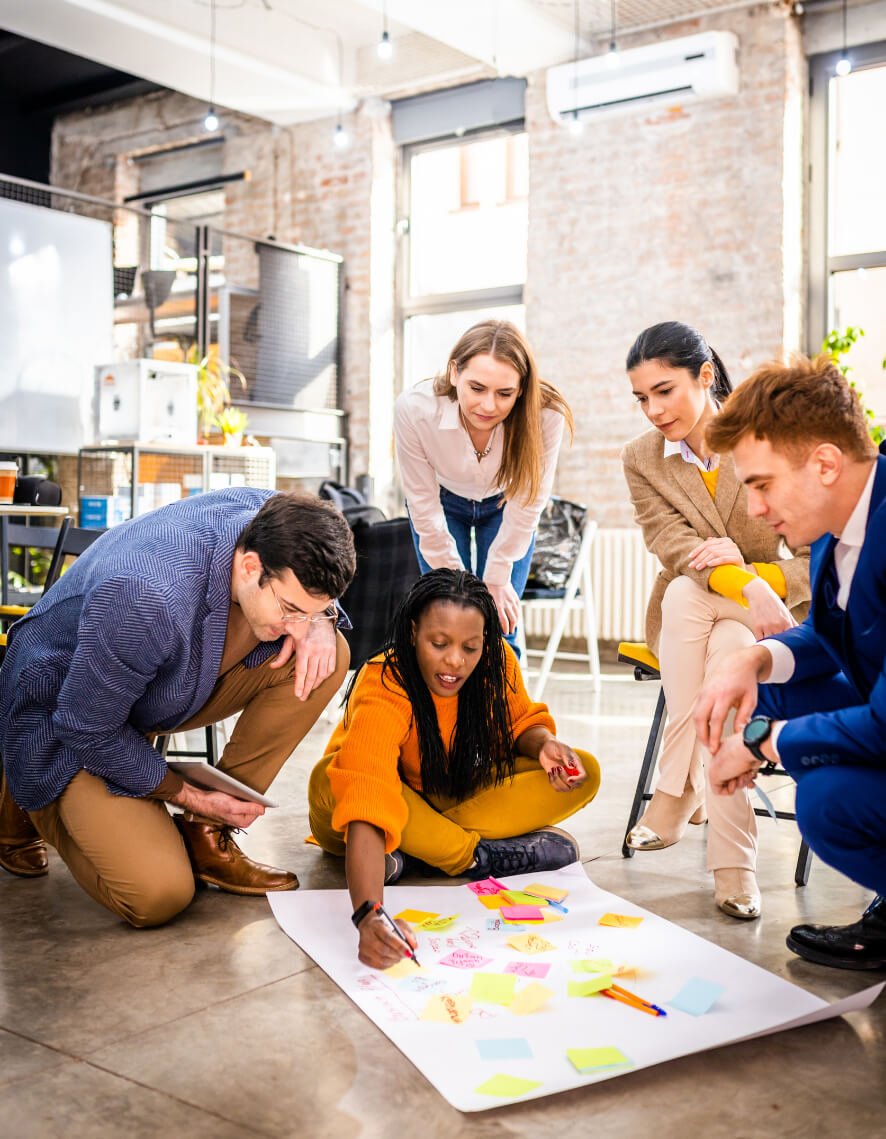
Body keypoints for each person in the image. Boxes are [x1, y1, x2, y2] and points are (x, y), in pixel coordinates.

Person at [0, 488, 355, 928]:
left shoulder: (272, 523)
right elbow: (86, 728)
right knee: (159, 894)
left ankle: (206, 833)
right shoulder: (146, 595)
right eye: (290, 609)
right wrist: (187, 793)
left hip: (151, 677)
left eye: (307, 611)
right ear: (250, 566)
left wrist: (322, 620)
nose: (296, 626)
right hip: (64, 714)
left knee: (328, 655)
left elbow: (308, 535)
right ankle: (19, 784)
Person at [694, 356, 886, 970]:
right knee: (763, 695)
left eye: (761, 483)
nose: (753, 509)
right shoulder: (839, 525)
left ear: (825, 463)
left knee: (828, 803)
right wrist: (752, 658)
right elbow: (833, 635)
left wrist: (760, 746)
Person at [307, 568, 600, 969]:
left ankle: (416, 854)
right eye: (439, 643)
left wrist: (543, 745)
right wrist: (368, 916)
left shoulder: (497, 663)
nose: (454, 662)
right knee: (329, 776)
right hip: (361, 810)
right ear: (412, 632)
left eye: (470, 647)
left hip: (442, 803)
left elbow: (520, 723)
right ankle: (473, 858)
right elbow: (367, 794)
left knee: (586, 774)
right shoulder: (384, 680)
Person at [621, 322, 810, 920]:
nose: (653, 411)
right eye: (642, 398)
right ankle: (734, 864)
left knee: (716, 634)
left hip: (771, 620)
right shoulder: (642, 458)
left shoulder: (767, 438)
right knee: (690, 599)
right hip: (696, 617)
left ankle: (675, 790)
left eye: (664, 391)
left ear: (705, 376)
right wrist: (744, 580)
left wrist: (764, 585)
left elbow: (815, 556)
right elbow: (674, 546)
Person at [394, 319, 573, 650]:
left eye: (504, 393)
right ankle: (448, 703)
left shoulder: (546, 415)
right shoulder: (415, 409)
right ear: (454, 373)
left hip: (507, 505)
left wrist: (497, 575)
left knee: (500, 624)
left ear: (521, 388)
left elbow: (529, 499)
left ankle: (504, 702)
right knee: (450, 616)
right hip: (442, 502)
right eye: (476, 388)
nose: (489, 406)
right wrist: (460, 585)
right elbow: (422, 500)